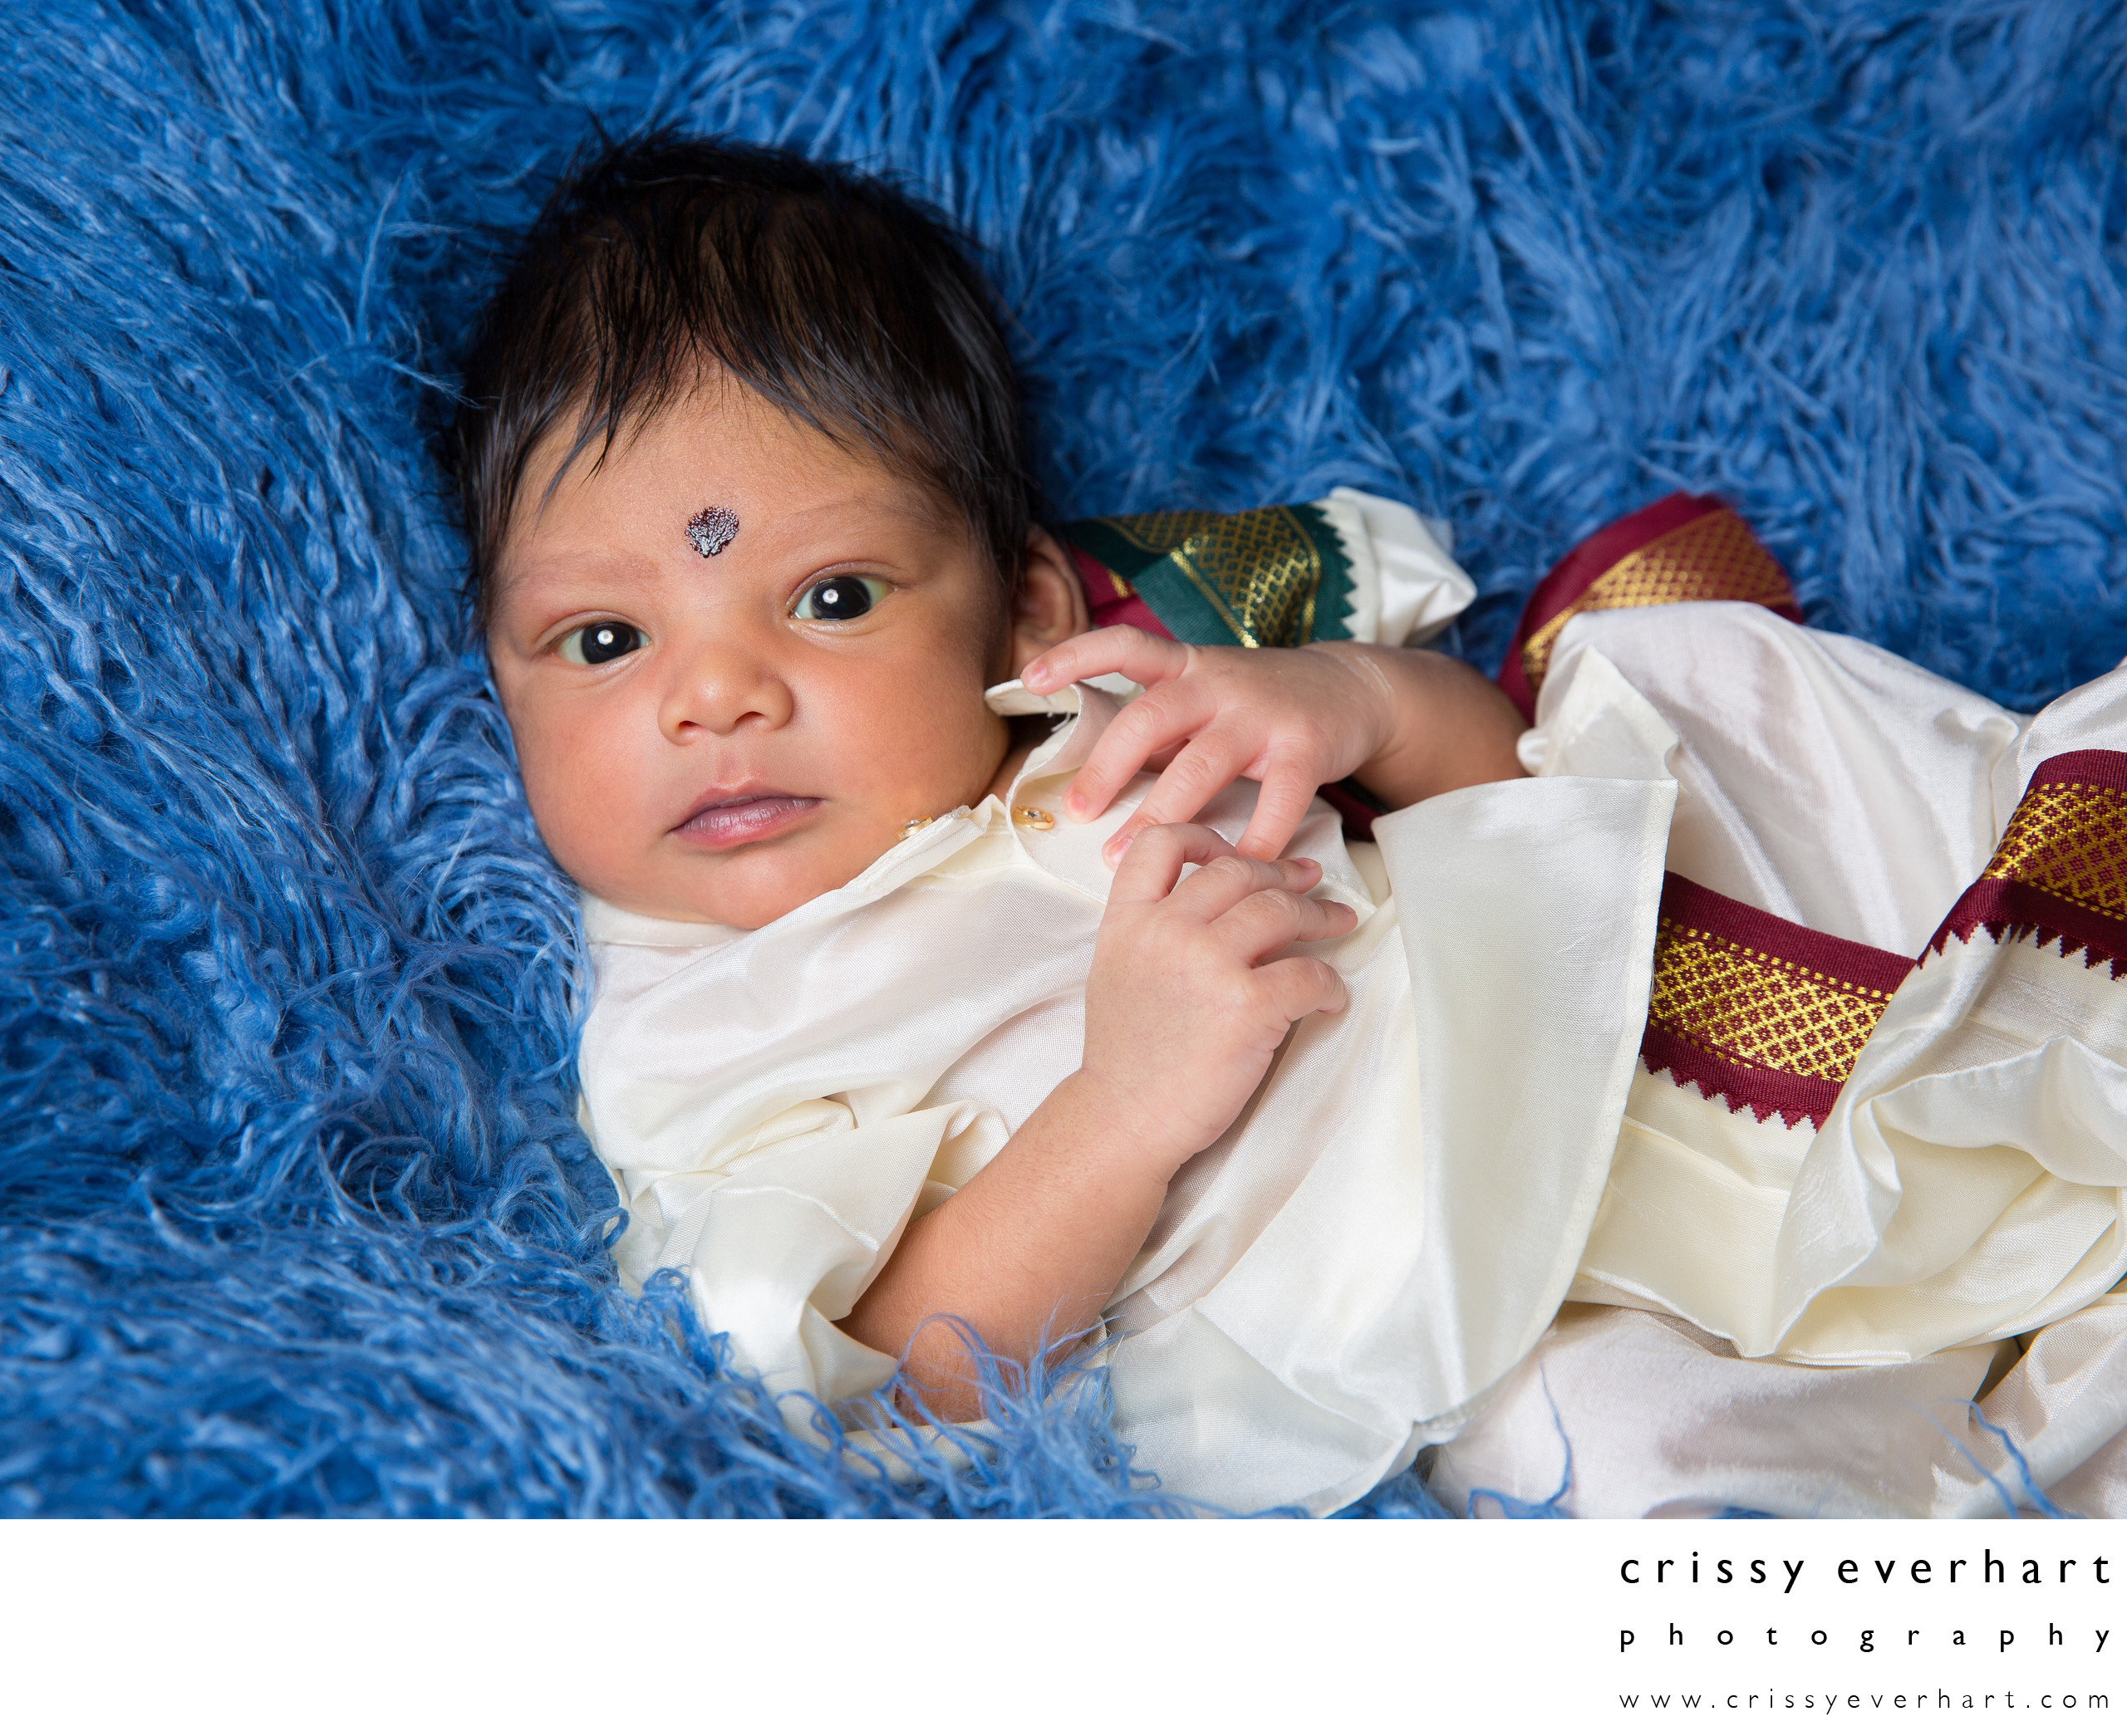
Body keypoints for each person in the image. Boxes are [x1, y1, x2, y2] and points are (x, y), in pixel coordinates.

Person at [448, 134, 2127, 1516]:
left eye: (828, 596)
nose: (716, 693)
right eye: (604, 640)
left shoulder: (1104, 713)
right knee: (1633, 1476)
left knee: (1708, 700)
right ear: (496, 680)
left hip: (1637, 1026)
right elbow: (889, 1369)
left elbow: (1538, 821)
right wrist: (1121, 1106)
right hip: (1448, 1302)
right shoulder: (701, 1030)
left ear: (1021, 607)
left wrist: (1363, 707)